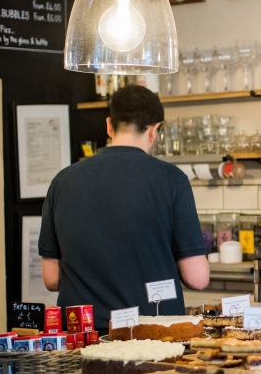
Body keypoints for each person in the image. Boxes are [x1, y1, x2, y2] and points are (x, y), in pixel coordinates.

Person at [39, 85, 209, 331]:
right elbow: (198, 278)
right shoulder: (172, 179)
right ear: (154, 130)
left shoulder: (63, 181)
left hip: (84, 336)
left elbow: (51, 279)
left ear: (109, 126)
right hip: (153, 335)